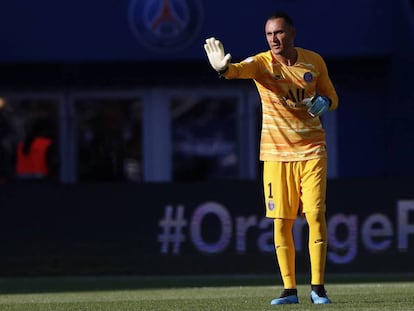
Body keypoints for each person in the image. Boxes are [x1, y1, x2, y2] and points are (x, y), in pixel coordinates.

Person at [204, 11, 338, 305]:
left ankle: (318, 288)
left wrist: (323, 102)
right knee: (281, 222)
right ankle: (289, 291)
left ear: (292, 33)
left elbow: (333, 98)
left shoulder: (313, 61)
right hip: (276, 155)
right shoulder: (262, 64)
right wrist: (222, 69)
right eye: (268, 34)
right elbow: (237, 70)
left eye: (278, 33)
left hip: (312, 149)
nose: (273, 39)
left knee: (315, 215)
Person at [15, 116, 59, 181]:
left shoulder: (21, 145)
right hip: (42, 182)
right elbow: (54, 166)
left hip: (20, 183)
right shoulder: (48, 144)